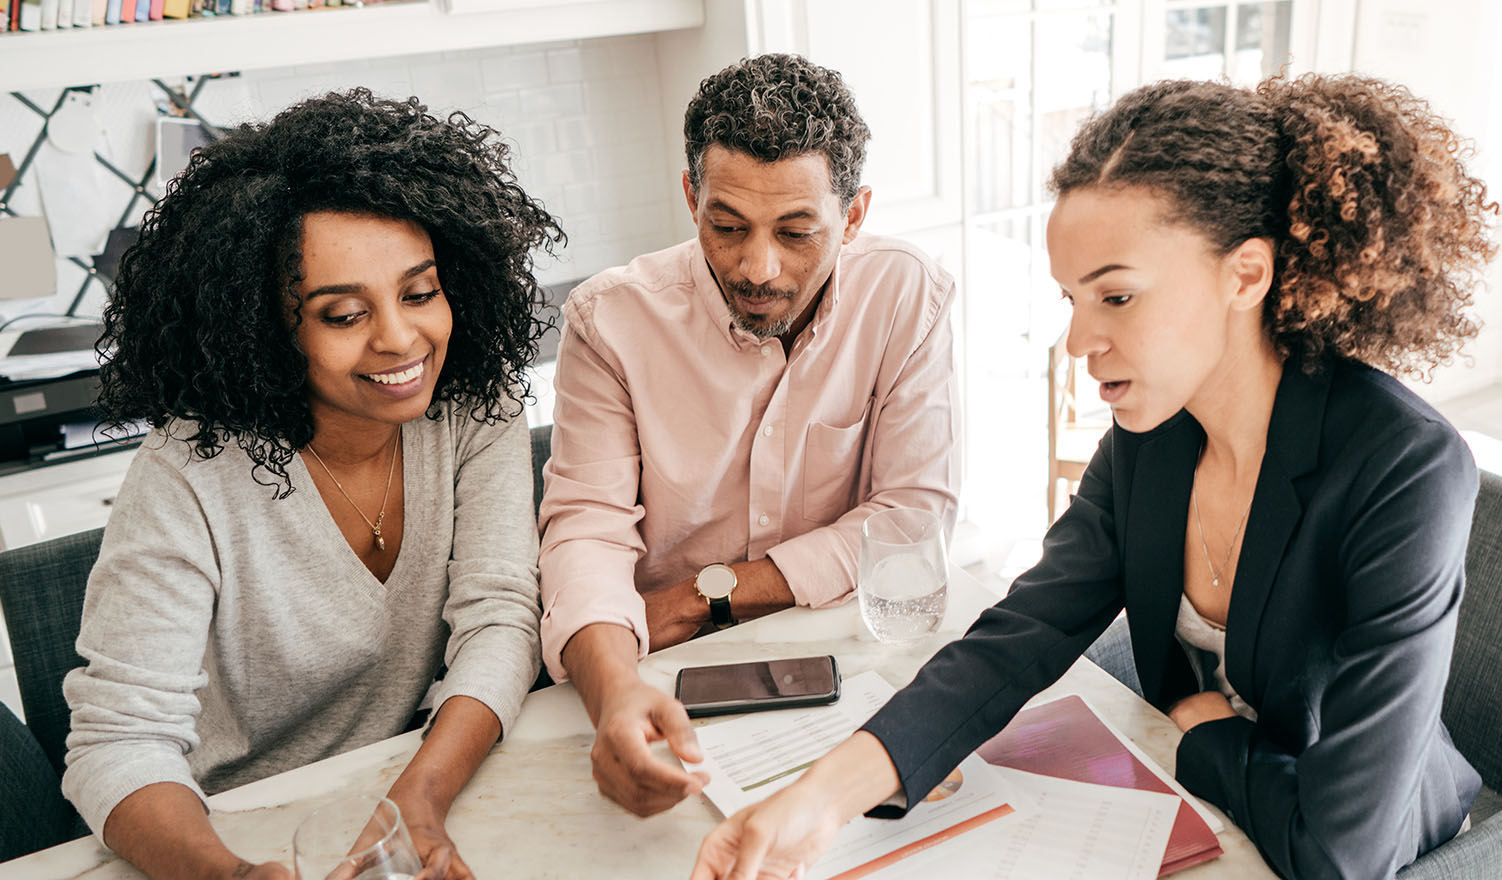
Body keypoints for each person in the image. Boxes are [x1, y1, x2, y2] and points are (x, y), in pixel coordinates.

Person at [690, 72, 1498, 880]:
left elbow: (1340, 852)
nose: (1079, 341)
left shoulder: (1403, 468)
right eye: (1073, 299)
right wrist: (821, 798)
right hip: (1212, 807)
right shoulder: (1155, 435)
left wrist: (1203, 730)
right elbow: (1025, 631)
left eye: (1117, 295)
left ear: (1245, 276)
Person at [63, 89, 563, 880]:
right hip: (233, 830)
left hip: (427, 783)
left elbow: (501, 619)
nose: (401, 339)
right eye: (342, 314)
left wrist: (418, 804)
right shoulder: (187, 473)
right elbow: (117, 744)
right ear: (269, 328)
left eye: (420, 292)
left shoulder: (474, 403)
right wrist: (230, 873)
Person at [538, 53, 960, 817]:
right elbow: (585, 533)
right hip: (662, 672)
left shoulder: (906, 293)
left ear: (854, 216)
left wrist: (711, 595)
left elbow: (912, 520)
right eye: (725, 227)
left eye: (798, 232)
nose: (758, 267)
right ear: (691, 197)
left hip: (843, 656)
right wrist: (614, 699)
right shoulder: (610, 322)